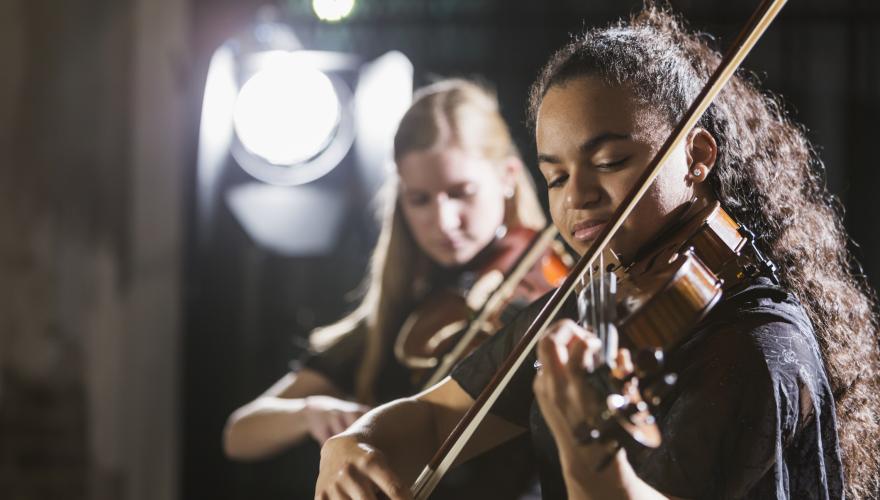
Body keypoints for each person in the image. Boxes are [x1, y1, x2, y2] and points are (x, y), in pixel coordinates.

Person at [314, 6, 880, 500]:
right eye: (556, 177)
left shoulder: (755, 348)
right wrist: (358, 440)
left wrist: (592, 456)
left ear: (697, 155)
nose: (578, 197)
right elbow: (436, 415)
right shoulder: (598, 301)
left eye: (609, 163)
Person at [223, 78, 547, 498]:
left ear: (507, 177)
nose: (443, 221)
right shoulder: (395, 321)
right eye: (420, 199)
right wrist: (311, 412)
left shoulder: (549, 289)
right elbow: (239, 433)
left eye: (461, 192)